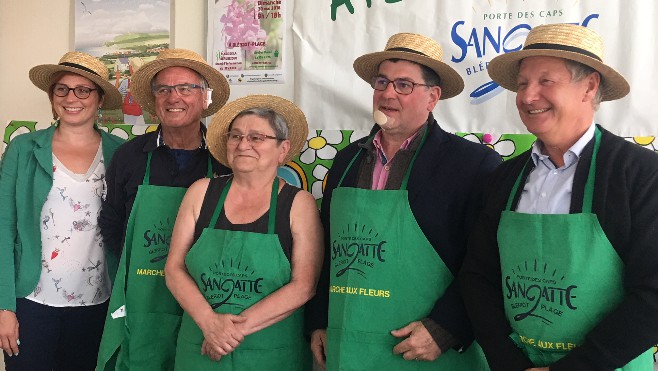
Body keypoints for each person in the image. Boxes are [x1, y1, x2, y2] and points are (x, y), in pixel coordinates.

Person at [460, 23, 658, 371]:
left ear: (589, 86)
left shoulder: (641, 174)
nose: (526, 96)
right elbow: (478, 275)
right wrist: (508, 361)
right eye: (522, 84)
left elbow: (653, 295)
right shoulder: (505, 177)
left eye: (545, 81)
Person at [306, 32, 501, 370]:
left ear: (432, 97)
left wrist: (447, 328)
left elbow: (488, 259)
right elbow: (327, 249)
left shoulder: (473, 164)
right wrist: (319, 320)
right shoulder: (346, 161)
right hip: (350, 345)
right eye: (381, 82)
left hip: (428, 350)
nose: (387, 93)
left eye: (404, 85)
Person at [164, 94, 323, 370]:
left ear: (282, 149)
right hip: (200, 349)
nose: (243, 145)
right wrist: (210, 323)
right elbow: (174, 269)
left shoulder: (299, 204)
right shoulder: (200, 193)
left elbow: (304, 286)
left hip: (270, 355)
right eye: (235, 136)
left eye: (256, 138)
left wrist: (227, 332)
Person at [96, 49, 232, 371]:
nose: (175, 97)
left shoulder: (225, 159)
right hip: (142, 300)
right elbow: (111, 220)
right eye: (164, 89)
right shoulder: (129, 157)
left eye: (186, 88)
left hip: (206, 300)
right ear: (154, 100)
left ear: (205, 98)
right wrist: (134, 271)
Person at [0, 51, 125, 370]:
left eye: (83, 90)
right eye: (62, 89)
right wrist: (4, 307)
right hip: (31, 303)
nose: (72, 97)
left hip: (98, 304)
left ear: (99, 100)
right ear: (52, 97)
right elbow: (4, 227)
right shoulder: (23, 149)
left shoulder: (119, 154)